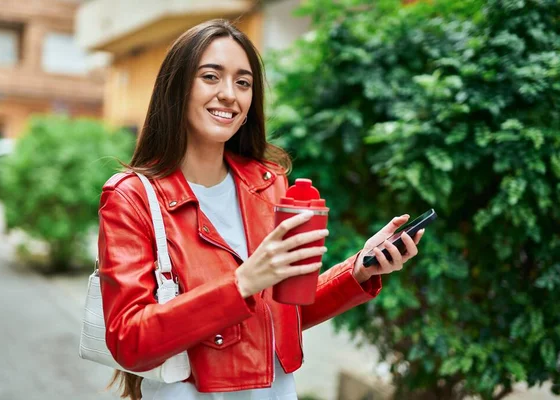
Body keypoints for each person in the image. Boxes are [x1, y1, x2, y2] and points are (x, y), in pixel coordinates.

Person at [98, 19, 425, 400]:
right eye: (210, 77)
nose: (229, 95)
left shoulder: (267, 184)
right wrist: (242, 284)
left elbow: (282, 311)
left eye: (243, 82)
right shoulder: (132, 196)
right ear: (177, 87)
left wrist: (358, 269)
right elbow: (128, 340)